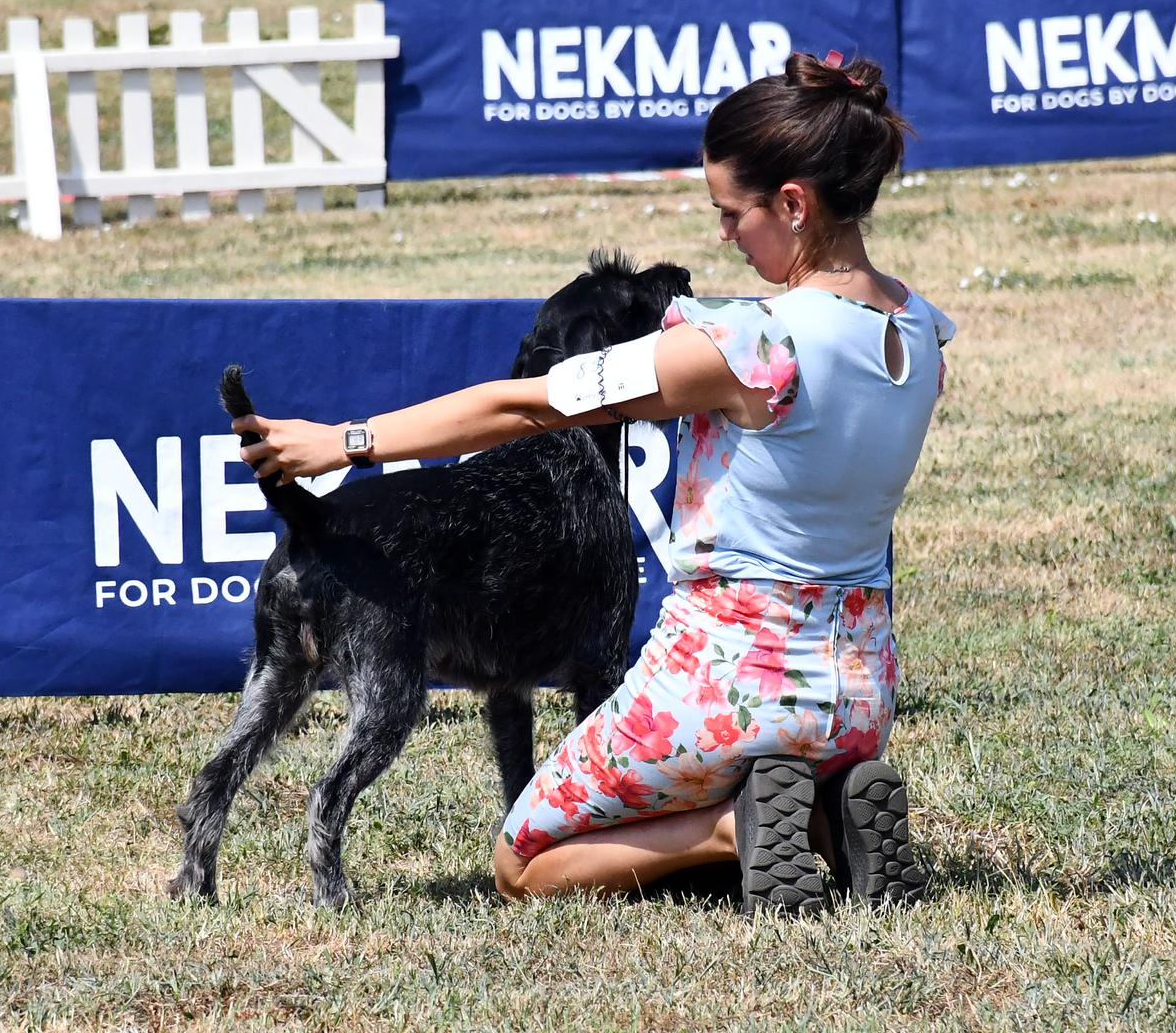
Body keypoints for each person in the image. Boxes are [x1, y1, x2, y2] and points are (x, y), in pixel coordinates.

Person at [234, 51, 953, 912]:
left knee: (525, 863)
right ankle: (831, 809)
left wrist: (346, 443)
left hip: (730, 686)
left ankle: (742, 827)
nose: (723, 236)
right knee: (752, 762)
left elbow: (524, 406)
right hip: (861, 693)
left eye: (731, 213)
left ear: (793, 205)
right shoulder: (919, 329)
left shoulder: (752, 346)